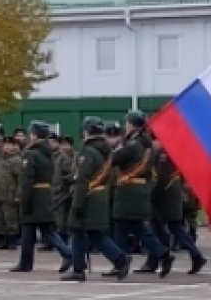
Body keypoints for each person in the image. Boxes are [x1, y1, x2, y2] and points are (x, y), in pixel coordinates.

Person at [62, 117, 131, 282]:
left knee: (78, 231)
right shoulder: (105, 151)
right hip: (99, 195)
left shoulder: (87, 151)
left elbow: (84, 180)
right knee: (95, 234)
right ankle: (119, 259)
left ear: (86, 131)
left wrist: (78, 204)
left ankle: (80, 269)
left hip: (88, 196)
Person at [109, 111, 172, 277]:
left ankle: (120, 261)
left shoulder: (133, 144)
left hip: (129, 191)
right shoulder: (144, 144)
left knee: (121, 226)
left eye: (127, 123)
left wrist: (114, 146)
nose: (125, 126)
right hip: (135, 191)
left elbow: (114, 158)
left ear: (132, 125)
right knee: (138, 228)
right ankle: (162, 253)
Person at [10, 122, 72, 273]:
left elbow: (27, 180)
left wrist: (25, 200)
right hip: (45, 194)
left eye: (31, 134)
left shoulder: (31, 154)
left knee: (45, 231)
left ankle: (69, 254)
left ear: (35, 135)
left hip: (35, 195)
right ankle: (25, 262)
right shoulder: (48, 153)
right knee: (31, 230)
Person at [143, 137, 207, 275]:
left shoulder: (164, 155)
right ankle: (157, 259)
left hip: (166, 197)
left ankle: (160, 258)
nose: (152, 144)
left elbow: (162, 179)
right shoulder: (168, 152)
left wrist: (150, 195)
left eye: (154, 141)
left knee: (167, 228)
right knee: (166, 228)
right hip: (167, 197)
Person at [0, 137, 21, 249]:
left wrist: (18, 194)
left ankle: (12, 241)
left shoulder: (16, 160)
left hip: (10, 194)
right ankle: (3, 240)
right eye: (6, 144)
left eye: (10, 145)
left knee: (10, 218)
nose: (7, 147)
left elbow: (20, 179)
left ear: (14, 146)